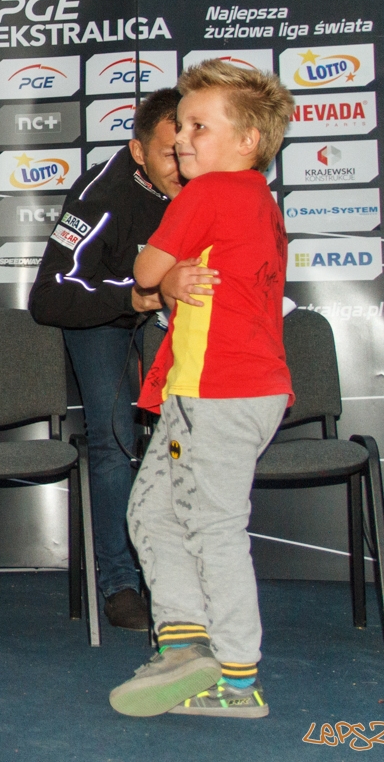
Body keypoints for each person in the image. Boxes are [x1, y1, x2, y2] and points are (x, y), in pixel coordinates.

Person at [110, 60, 293, 720]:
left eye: (197, 127)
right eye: (180, 126)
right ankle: (186, 646)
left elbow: (145, 269)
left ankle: (238, 681)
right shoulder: (257, 198)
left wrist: (165, 275)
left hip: (218, 392)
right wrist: (173, 280)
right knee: (152, 513)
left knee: (213, 529)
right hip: (221, 392)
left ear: (247, 140)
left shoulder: (210, 192)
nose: (182, 139)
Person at [28, 87, 183, 631]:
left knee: (193, 437)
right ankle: (119, 583)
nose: (183, 163)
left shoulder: (207, 182)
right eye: (168, 153)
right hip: (104, 317)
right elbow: (48, 297)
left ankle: (183, 577)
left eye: (188, 148)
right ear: (138, 151)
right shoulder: (103, 193)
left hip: (175, 319)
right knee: (115, 439)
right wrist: (131, 297)